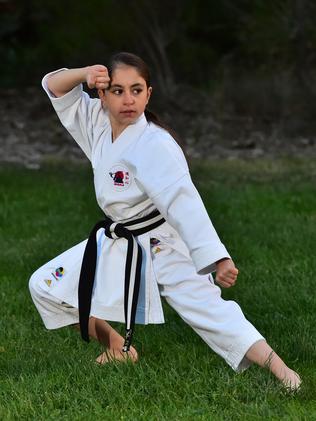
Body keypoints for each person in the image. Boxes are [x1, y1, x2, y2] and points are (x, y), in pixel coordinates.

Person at [29, 52, 301, 390]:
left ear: (148, 93)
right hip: (120, 239)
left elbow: (184, 203)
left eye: (136, 90)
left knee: (207, 310)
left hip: (164, 241)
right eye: (117, 91)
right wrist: (85, 72)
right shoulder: (97, 122)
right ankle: (118, 347)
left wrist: (217, 258)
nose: (128, 100)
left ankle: (285, 373)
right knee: (46, 286)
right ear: (101, 94)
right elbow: (54, 87)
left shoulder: (155, 144)